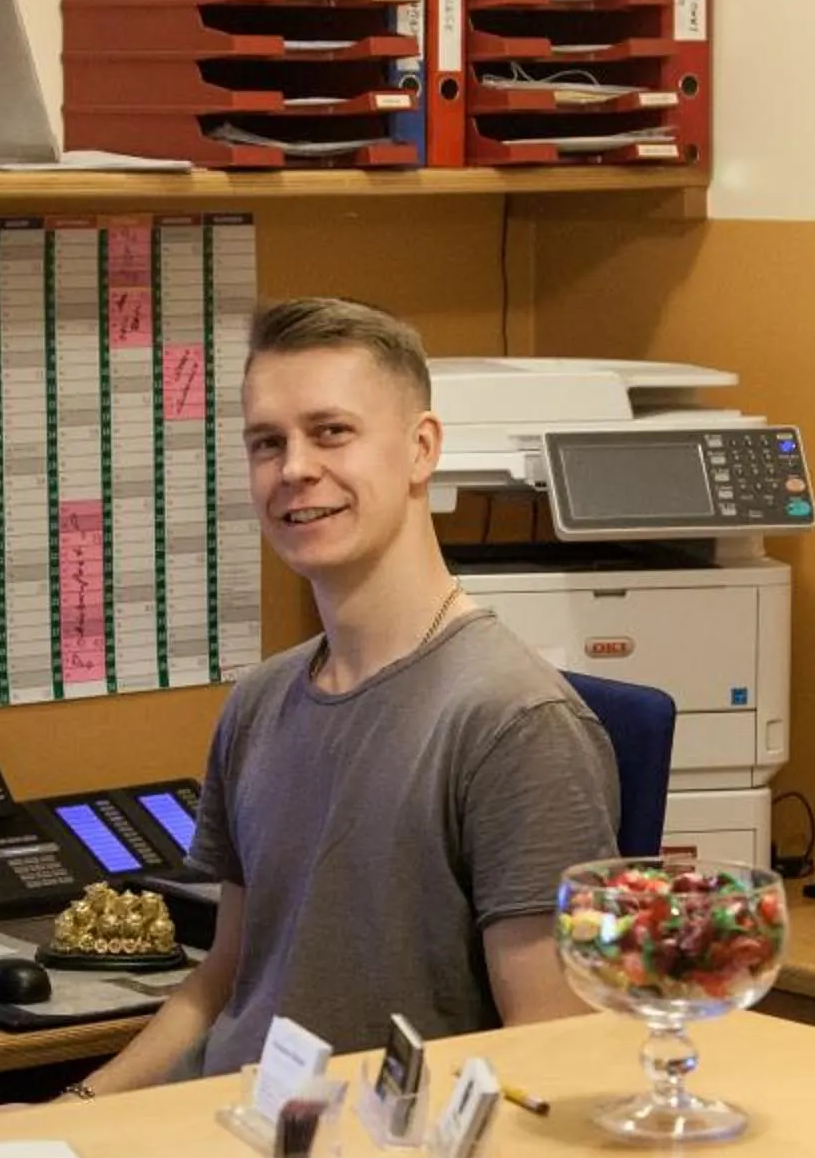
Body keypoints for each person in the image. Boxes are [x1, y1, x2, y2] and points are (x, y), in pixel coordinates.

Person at [70, 296, 617, 1095]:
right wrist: (74, 1110)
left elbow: (552, 1055)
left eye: (332, 432)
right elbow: (219, 989)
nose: (294, 469)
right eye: (268, 442)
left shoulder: (514, 722)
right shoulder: (259, 702)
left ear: (421, 450)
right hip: (226, 1138)